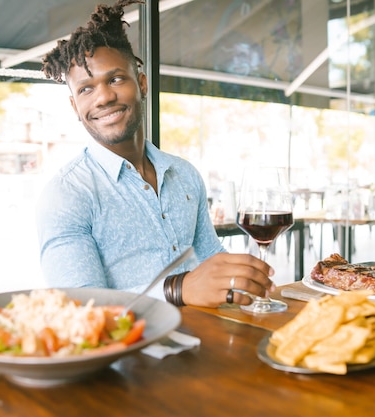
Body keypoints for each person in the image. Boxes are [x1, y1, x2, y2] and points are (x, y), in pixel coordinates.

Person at [37, 0, 276, 308]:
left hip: (203, 344)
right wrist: (178, 288)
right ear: (74, 107)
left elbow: (211, 258)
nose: (104, 97)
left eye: (115, 79)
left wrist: (245, 278)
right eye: (86, 89)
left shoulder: (185, 175)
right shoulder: (66, 194)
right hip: (129, 355)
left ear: (142, 84)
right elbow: (80, 307)